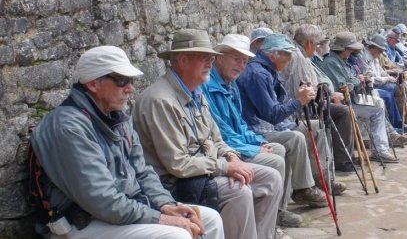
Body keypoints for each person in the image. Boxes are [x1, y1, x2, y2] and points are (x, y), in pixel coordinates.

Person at [30, 46, 223, 239]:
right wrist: (161, 218)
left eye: (129, 80)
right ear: (93, 84)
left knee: (210, 219)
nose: (130, 88)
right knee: (176, 235)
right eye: (121, 81)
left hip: (125, 208)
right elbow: (102, 201)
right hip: (81, 222)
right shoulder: (68, 128)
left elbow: (143, 170)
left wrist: (166, 205)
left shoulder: (116, 116)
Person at [134, 29, 283, 239]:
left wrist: (231, 156)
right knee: (238, 190)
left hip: (203, 171)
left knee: (271, 177)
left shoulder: (195, 91)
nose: (210, 64)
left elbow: (216, 138)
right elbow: (178, 165)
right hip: (175, 183)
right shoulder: (160, 101)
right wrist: (224, 166)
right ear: (184, 60)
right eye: (204, 58)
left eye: (211, 58)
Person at [202, 34, 327, 227]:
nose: (241, 65)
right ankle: (279, 211)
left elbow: (239, 123)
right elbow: (267, 116)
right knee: (286, 145)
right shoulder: (253, 75)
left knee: (292, 139)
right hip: (230, 147)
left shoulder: (233, 82)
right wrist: (253, 146)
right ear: (218, 57)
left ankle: (284, 205)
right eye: (236, 59)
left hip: (246, 137)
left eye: (244, 60)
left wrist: (257, 143)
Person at [237, 33, 347, 192]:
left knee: (318, 127)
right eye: (287, 55)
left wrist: (298, 97)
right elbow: (272, 115)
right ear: (273, 55)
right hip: (261, 129)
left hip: (276, 125)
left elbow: (278, 103)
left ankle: (322, 179)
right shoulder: (258, 74)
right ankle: (304, 189)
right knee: (296, 137)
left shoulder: (269, 70)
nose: (289, 60)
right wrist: (298, 101)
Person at [281, 24, 359, 172]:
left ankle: (343, 158)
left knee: (342, 111)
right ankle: (339, 161)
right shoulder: (299, 58)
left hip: (305, 105)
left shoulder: (301, 55)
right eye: (316, 44)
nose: (317, 48)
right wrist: (327, 94)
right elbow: (306, 89)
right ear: (309, 43)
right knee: (343, 112)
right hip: (301, 111)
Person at [319, 32, 400, 163]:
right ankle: (380, 150)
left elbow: (350, 79)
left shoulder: (341, 61)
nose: (352, 52)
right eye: (350, 50)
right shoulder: (331, 63)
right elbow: (343, 85)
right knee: (377, 112)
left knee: (378, 104)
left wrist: (361, 80)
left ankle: (380, 146)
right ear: (344, 49)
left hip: (351, 98)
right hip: (344, 103)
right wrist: (359, 79)